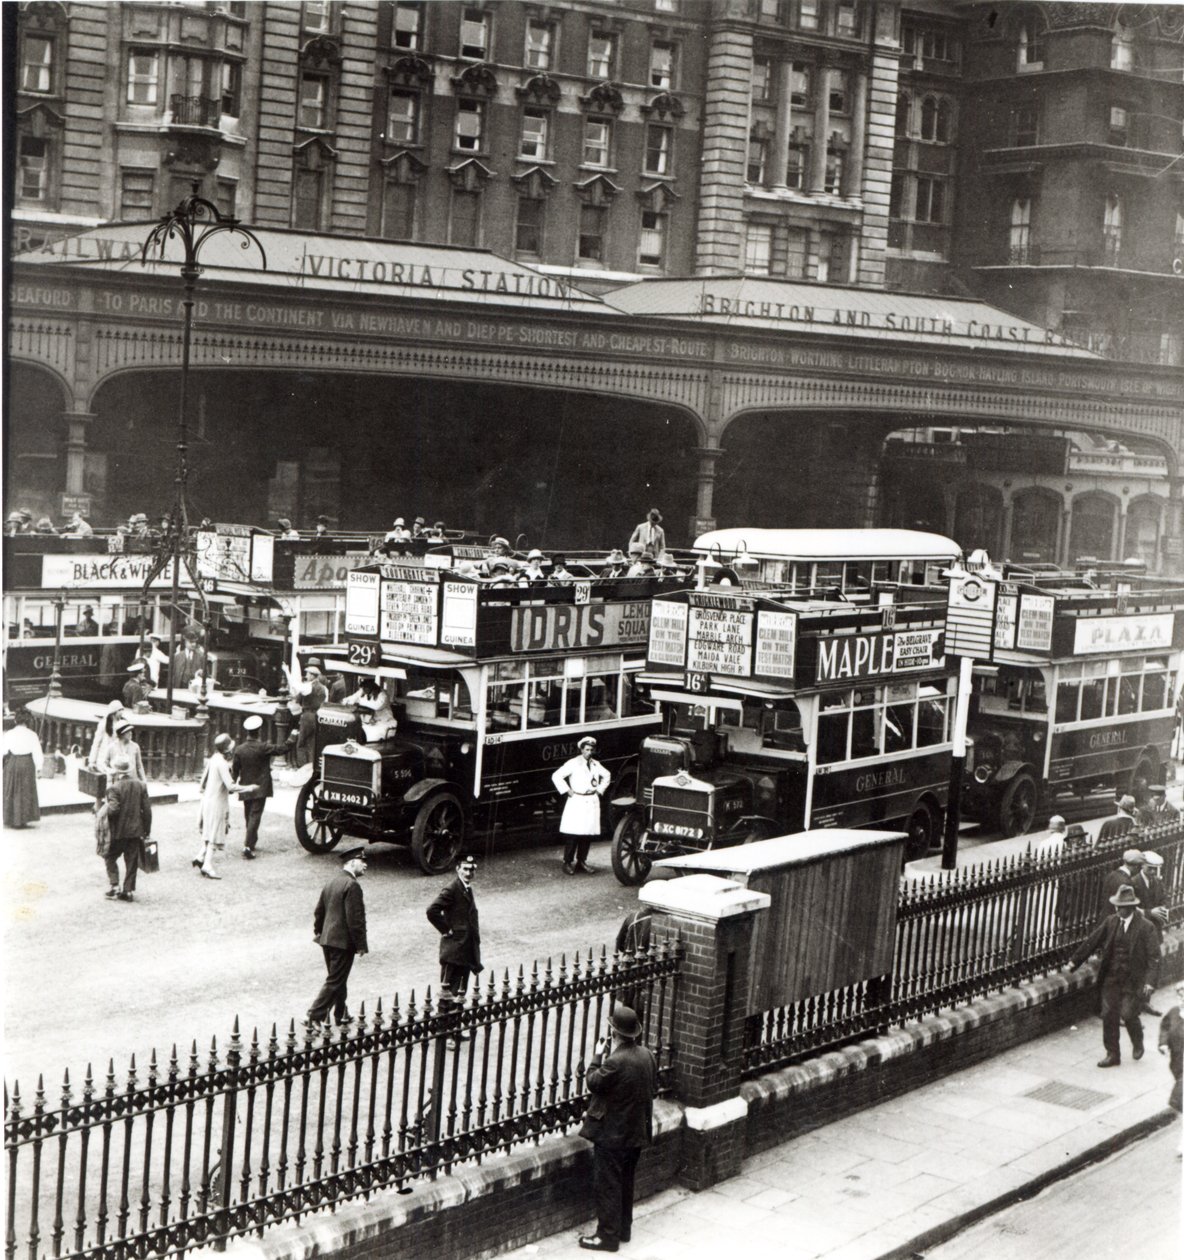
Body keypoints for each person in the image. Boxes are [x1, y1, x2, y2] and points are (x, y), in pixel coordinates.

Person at [577, 1004, 658, 1253]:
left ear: (614, 1033)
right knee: (626, 1182)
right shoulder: (647, 1055)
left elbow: (593, 1082)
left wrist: (596, 1057)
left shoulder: (615, 1061)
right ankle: (624, 1229)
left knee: (609, 1185)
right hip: (636, 1134)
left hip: (613, 1136)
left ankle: (607, 1237)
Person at [1070, 883, 1160, 1068]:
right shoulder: (1112, 922)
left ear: (1131, 908)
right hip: (1111, 977)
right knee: (1109, 1014)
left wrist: (1150, 982)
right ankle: (1112, 1054)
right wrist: (1075, 961)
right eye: (1117, 906)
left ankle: (1137, 1040)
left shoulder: (1145, 927)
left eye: (1121, 907)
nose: (1117, 909)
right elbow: (1093, 940)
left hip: (1133, 980)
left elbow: (1154, 957)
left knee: (1128, 1014)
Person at [305, 847, 369, 1035]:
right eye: (362, 861)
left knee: (338, 978)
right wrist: (361, 945)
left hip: (327, 939)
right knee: (335, 980)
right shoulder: (352, 885)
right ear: (351, 863)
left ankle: (341, 1013)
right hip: (342, 942)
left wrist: (320, 933)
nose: (365, 865)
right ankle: (314, 1015)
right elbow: (355, 920)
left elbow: (319, 911)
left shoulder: (332, 882)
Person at [426, 854, 483, 1044]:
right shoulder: (452, 889)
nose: (468, 873)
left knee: (460, 993)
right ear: (458, 869)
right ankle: (447, 1035)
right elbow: (432, 910)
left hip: (464, 949)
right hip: (454, 950)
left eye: (471, 869)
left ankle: (455, 1029)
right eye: (465, 869)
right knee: (448, 993)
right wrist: (447, 930)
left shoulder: (466, 888)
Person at [231, 715, 292, 860]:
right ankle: (248, 844)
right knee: (255, 816)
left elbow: (235, 770)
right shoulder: (263, 747)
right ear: (258, 731)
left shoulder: (239, 750)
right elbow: (282, 749)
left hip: (245, 787)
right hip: (260, 787)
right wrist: (292, 738)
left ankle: (251, 842)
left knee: (248, 815)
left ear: (247, 732)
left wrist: (232, 785)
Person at [552, 736, 611, 875]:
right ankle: (567, 862)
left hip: (591, 800)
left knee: (587, 834)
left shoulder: (596, 764)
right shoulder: (573, 763)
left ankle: (581, 862)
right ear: (581, 750)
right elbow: (556, 776)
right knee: (573, 833)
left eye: (591, 750)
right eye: (586, 749)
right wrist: (567, 790)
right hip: (577, 800)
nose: (589, 752)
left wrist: (600, 790)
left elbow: (607, 775)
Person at [193, 733, 242, 879]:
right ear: (227, 750)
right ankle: (207, 865)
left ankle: (200, 856)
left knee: (208, 830)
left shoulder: (213, 759)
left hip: (207, 800)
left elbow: (203, 782)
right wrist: (249, 787)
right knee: (214, 833)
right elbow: (231, 786)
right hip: (217, 803)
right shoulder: (222, 764)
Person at [103, 755, 152, 903]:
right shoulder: (141, 785)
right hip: (136, 831)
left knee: (110, 857)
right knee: (132, 861)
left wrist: (104, 812)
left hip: (118, 832)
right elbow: (147, 810)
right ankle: (128, 891)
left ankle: (115, 886)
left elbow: (113, 810)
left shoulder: (114, 788)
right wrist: (147, 831)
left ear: (116, 772)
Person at [3, 712, 44, 829]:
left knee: (11, 789)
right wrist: (39, 768)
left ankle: (11, 819)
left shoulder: (9, 734)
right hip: (27, 763)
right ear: (28, 721)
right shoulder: (32, 735)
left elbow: (4, 751)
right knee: (25, 790)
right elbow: (37, 752)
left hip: (13, 763)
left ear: (15, 721)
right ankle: (23, 819)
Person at [1157, 980, 1184, 1133]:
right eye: (1180, 997)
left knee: (1180, 1100)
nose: (1181, 1001)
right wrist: (1163, 1043)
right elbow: (1166, 1026)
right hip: (1177, 1063)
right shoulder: (1174, 1012)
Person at [293, 665, 328, 766]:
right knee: (312, 743)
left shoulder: (307, 686)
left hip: (307, 715)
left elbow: (298, 700)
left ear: (313, 676)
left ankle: (302, 766)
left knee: (301, 742)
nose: (306, 676)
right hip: (317, 716)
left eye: (308, 674)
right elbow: (325, 703)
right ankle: (311, 765)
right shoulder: (324, 688)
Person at [87, 700, 125, 780]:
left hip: (117, 759)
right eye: (119, 710)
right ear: (113, 712)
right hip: (104, 759)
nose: (122, 712)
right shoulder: (103, 724)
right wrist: (92, 761)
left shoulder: (122, 723)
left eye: (122, 710)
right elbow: (96, 743)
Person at [111, 719, 147, 785]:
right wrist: (110, 771)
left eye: (131, 731)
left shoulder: (135, 746)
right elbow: (105, 763)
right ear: (121, 734)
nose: (131, 733)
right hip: (117, 783)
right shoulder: (112, 747)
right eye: (128, 732)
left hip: (132, 781)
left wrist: (144, 780)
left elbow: (139, 766)